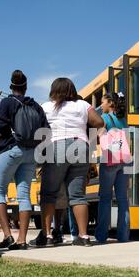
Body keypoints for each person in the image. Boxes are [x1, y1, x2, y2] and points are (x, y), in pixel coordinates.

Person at [30, 78, 104, 247]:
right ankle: (83, 236)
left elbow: (37, 127)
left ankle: (48, 235)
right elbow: (99, 122)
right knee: (77, 195)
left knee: (49, 194)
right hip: (81, 146)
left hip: (57, 147)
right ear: (72, 89)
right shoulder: (82, 105)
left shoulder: (46, 106)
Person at [0, 70, 50, 250]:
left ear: (11, 86)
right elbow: (46, 130)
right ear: (25, 87)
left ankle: (8, 235)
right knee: (24, 194)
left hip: (11, 149)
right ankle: (22, 239)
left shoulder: (7, 102)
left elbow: (0, 125)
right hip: (31, 153)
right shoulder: (36, 106)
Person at [95, 93, 130, 243]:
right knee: (123, 199)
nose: (100, 105)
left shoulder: (104, 118)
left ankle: (102, 236)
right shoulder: (123, 119)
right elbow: (128, 140)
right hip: (125, 160)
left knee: (105, 198)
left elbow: (101, 137)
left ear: (110, 102)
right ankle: (124, 237)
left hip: (110, 160)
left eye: (102, 102)